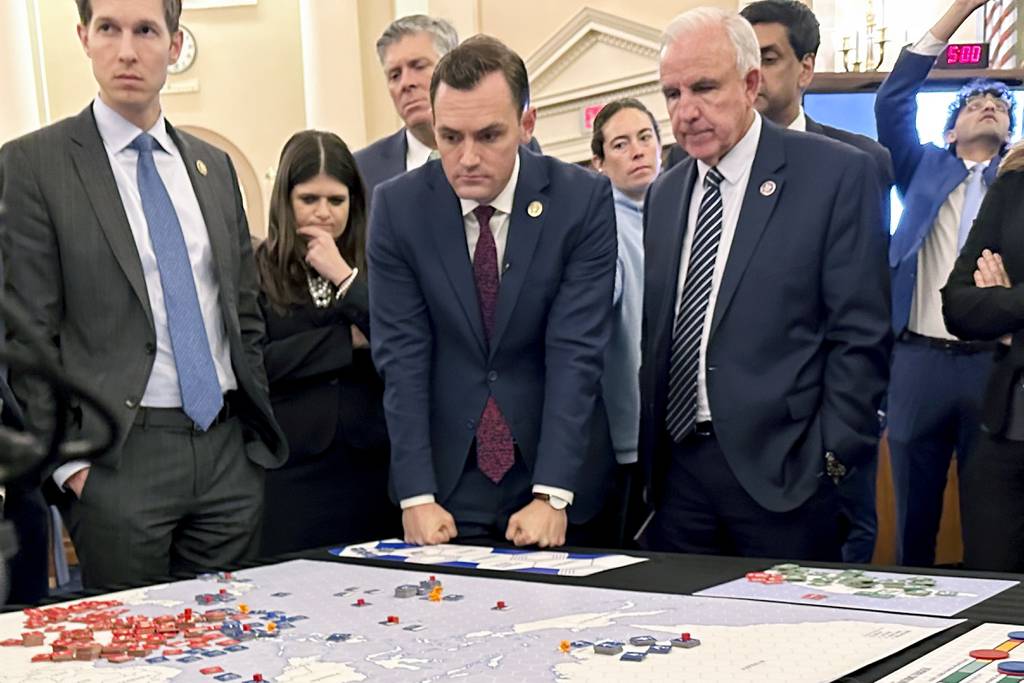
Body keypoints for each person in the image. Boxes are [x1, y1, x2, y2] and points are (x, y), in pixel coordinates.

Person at [0, 0, 286, 588]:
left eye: (146, 31)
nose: (127, 49)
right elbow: (27, 336)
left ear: (175, 45)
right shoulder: (34, 166)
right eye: (109, 29)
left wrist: (250, 447)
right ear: (84, 37)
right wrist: (70, 466)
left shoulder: (214, 166)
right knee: (133, 665)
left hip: (227, 454)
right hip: (118, 461)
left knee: (232, 651)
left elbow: (243, 312)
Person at [639, 8, 891, 560]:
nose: (687, 111)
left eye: (704, 87)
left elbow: (861, 334)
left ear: (750, 84)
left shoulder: (836, 174)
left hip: (787, 479)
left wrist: (831, 459)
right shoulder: (664, 194)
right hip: (679, 477)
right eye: (673, 94)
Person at [368, 35, 616, 548]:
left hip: (554, 468)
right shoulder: (399, 208)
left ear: (527, 124)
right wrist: (416, 495)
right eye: (450, 136)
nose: (467, 157)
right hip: (447, 483)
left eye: (489, 135)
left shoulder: (581, 201)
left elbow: (576, 350)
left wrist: (551, 495)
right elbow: (401, 355)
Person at [741, 0, 894, 564]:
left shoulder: (858, 162)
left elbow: (863, 312)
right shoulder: (696, 170)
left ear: (806, 68)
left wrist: (840, 443)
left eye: (768, 59)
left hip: (827, 440)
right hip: (737, 450)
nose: (751, 76)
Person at [876, 0, 1011, 567]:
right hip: (918, 364)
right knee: (913, 518)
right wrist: (958, 12)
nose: (987, 108)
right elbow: (892, 100)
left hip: (993, 366)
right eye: (974, 104)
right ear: (952, 127)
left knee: (992, 518)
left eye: (999, 107)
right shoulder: (923, 167)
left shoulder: (1018, 187)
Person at [255, 131, 398, 555]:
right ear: (286, 198)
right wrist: (344, 341)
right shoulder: (256, 268)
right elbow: (257, 364)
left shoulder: (377, 264)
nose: (323, 213)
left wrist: (344, 277)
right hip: (291, 470)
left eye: (336, 200)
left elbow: (400, 343)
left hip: (372, 464)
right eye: (309, 199)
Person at [941, 145, 1024, 573]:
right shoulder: (1013, 182)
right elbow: (958, 306)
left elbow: (989, 308)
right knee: (993, 601)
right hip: (1007, 433)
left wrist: (1008, 308)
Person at [589, 98, 661, 546]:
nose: (637, 151)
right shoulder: (602, 223)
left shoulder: (676, 211)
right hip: (628, 436)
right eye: (620, 144)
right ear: (598, 162)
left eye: (645, 137)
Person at [354, 15, 460, 197]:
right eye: (395, 75)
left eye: (418, 66)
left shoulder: (499, 152)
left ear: (455, 69)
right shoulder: (361, 172)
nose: (406, 83)